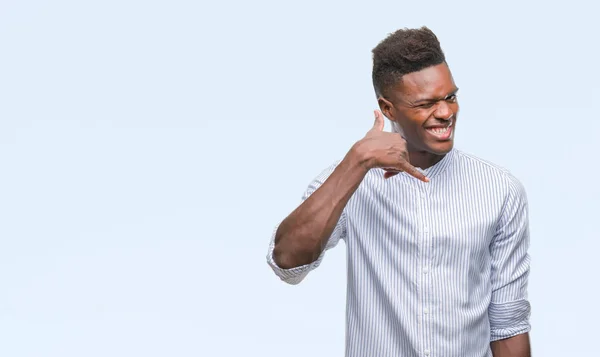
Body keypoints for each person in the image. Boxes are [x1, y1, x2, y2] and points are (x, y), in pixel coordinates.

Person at [266, 26, 531, 357]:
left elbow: (508, 323)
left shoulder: (500, 190)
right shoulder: (350, 178)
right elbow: (286, 262)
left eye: (450, 97)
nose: (446, 112)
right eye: (425, 103)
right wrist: (358, 161)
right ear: (388, 109)